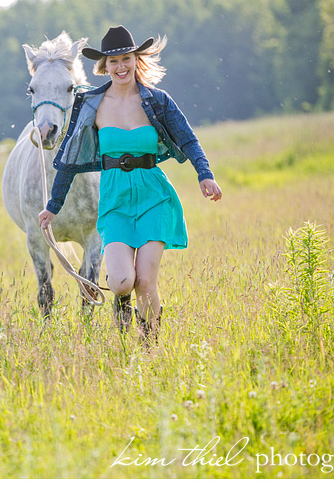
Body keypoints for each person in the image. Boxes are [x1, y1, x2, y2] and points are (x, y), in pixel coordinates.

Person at [37, 25, 222, 342]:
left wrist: (205, 173)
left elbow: (188, 139)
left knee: (146, 281)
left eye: (126, 58)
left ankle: (149, 343)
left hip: (154, 196)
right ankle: (126, 310)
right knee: (122, 281)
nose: (120, 66)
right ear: (103, 67)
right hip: (115, 200)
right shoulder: (91, 105)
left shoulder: (158, 101)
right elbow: (68, 157)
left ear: (136, 60)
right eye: (113, 61)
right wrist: (53, 207)